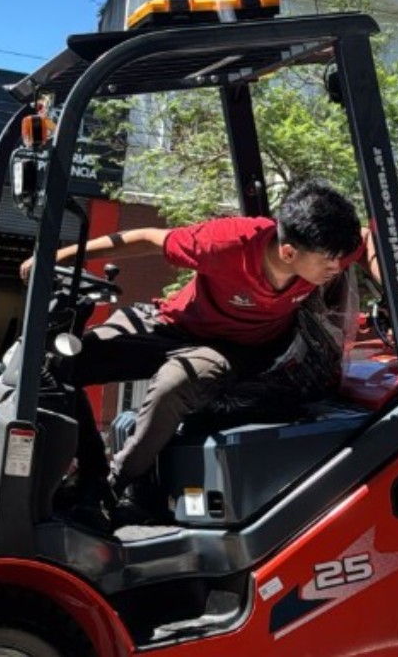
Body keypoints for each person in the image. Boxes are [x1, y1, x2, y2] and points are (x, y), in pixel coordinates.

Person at [21, 181, 378, 528]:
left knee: (174, 383)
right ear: (288, 252)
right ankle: (90, 474)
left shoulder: (323, 247)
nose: (337, 268)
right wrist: (57, 257)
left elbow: (365, 238)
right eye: (329, 261)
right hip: (174, 323)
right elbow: (146, 237)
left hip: (236, 348)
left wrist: (396, 287)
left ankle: (112, 487)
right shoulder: (227, 243)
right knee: (64, 362)